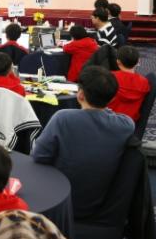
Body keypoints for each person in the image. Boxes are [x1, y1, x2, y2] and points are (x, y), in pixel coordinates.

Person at [32, 66, 135, 219]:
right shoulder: (125, 125)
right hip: (98, 205)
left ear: (80, 95)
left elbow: (39, 156)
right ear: (112, 98)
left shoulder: (62, 118)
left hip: (58, 203)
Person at [107, 45, 150, 122]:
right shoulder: (145, 82)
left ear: (118, 62)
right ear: (138, 62)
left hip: (107, 120)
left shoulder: (109, 77)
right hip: (130, 123)